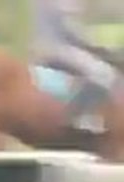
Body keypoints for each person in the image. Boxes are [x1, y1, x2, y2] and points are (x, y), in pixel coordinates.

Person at [32, 0, 119, 132]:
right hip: (56, 48)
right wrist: (96, 47)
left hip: (56, 44)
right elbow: (71, 29)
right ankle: (83, 115)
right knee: (103, 73)